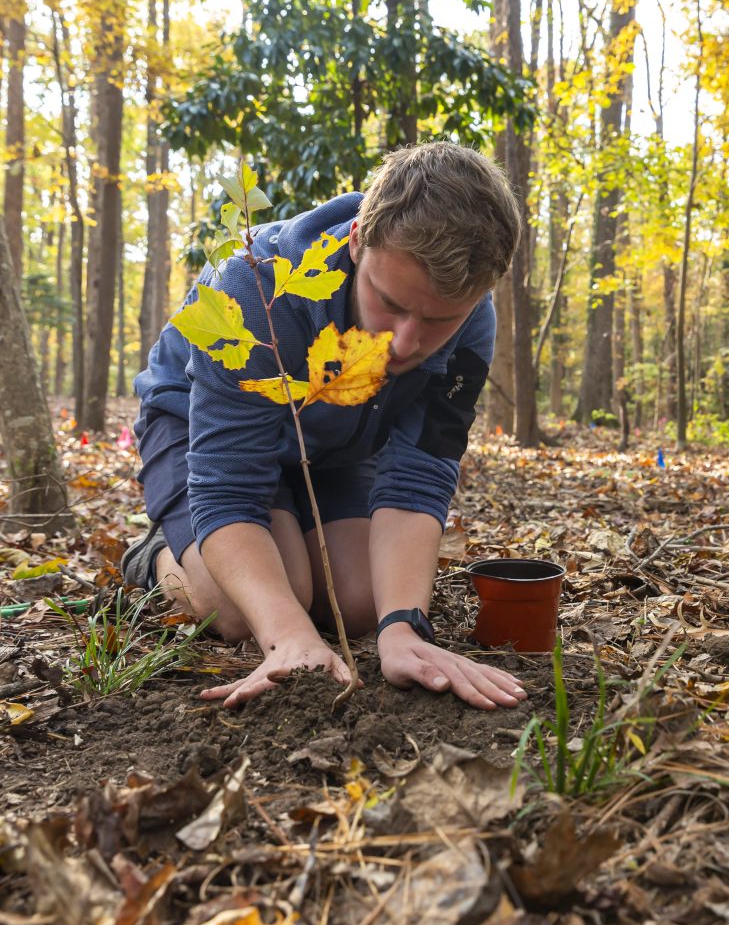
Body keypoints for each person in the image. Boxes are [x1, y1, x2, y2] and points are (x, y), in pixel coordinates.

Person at [124, 141, 528, 711]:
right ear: (358, 238)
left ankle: (286, 536)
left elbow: (417, 475)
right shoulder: (254, 286)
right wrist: (289, 637)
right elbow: (229, 485)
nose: (404, 343)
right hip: (196, 426)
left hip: (332, 443)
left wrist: (403, 628)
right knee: (243, 611)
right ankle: (161, 552)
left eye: (439, 320)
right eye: (389, 303)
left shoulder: (473, 320)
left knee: (361, 605)